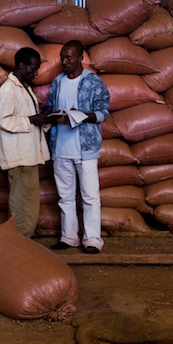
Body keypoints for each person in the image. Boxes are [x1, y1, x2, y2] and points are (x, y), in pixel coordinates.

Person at [46, 40, 110, 254]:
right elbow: (50, 106)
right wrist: (51, 114)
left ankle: (92, 240)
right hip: (60, 147)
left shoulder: (92, 81)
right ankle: (69, 237)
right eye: (62, 57)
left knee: (90, 196)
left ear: (80, 58)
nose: (64, 61)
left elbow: (103, 111)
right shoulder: (58, 82)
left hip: (85, 148)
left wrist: (83, 116)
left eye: (68, 57)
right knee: (65, 197)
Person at [0, 47, 51, 238]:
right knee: (22, 201)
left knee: (29, 199)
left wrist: (42, 119)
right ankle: (19, 239)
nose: (35, 74)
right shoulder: (9, 89)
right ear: (21, 66)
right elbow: (1, 120)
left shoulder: (25, 88)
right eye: (33, 69)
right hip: (19, 157)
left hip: (28, 154)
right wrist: (31, 120)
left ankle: (23, 236)